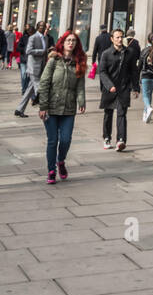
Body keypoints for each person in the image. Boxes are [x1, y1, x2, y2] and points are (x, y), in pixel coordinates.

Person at [38, 30, 87, 183]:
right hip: (51, 107)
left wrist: (81, 101)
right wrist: (43, 106)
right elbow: (44, 83)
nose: (71, 43)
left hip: (68, 107)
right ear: (63, 43)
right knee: (53, 140)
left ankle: (61, 161)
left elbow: (80, 85)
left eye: (73, 41)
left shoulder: (78, 62)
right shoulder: (53, 60)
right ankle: (51, 170)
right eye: (68, 40)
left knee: (65, 140)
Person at [98, 27, 137, 151]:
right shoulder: (106, 54)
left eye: (121, 37)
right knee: (108, 114)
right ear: (112, 39)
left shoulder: (129, 52)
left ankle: (121, 140)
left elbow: (134, 71)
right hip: (109, 88)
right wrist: (109, 86)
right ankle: (107, 138)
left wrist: (135, 87)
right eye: (117, 37)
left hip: (123, 88)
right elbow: (102, 72)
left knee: (122, 114)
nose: (120, 39)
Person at [14, 22, 48, 117]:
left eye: (44, 26)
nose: (43, 28)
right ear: (37, 27)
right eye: (41, 26)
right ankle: (46, 109)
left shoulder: (45, 38)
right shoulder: (32, 37)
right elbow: (28, 51)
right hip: (33, 67)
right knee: (39, 89)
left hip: (41, 66)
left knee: (29, 90)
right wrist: (42, 52)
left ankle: (19, 109)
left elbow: (45, 52)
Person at [139, 34, 153, 123]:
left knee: (145, 95)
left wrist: (137, 77)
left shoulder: (144, 51)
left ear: (147, 40)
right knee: (149, 94)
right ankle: (146, 114)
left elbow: (140, 65)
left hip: (145, 75)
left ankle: (148, 108)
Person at [17, 23, 34, 92]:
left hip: (31, 60)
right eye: (29, 31)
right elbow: (18, 47)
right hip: (23, 59)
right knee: (24, 75)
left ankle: (25, 89)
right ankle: (24, 89)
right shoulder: (23, 38)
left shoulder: (34, 38)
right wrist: (24, 50)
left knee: (28, 76)